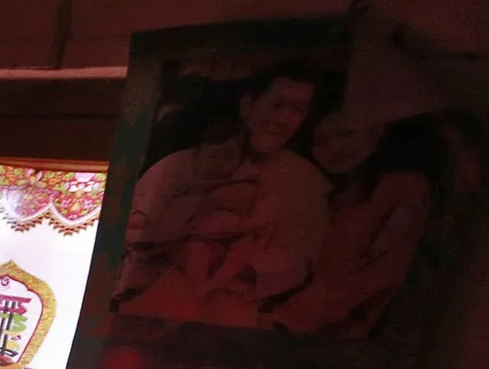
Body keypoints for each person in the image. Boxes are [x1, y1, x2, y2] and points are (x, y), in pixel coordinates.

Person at [116, 64, 331, 326]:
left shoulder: (306, 180)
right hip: (156, 293)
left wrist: (236, 268)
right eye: (277, 105)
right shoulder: (178, 165)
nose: (283, 119)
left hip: (234, 307)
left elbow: (306, 257)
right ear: (248, 105)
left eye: (296, 110)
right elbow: (130, 227)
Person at [260, 113, 439, 336]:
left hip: (335, 326)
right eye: (321, 141)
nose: (335, 147)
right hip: (306, 318)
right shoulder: (337, 197)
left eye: (347, 134)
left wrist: (299, 314)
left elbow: (388, 265)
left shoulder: (404, 186)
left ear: (376, 133)